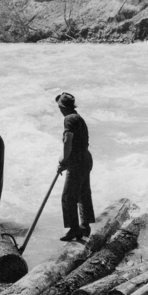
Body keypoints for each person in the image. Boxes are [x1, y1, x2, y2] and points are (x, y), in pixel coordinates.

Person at [55, 92, 95, 242]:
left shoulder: (69, 119)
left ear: (62, 107)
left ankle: (74, 230)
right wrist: (67, 162)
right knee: (83, 194)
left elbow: (68, 141)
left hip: (78, 161)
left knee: (68, 197)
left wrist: (64, 160)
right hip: (85, 158)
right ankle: (84, 227)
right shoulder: (78, 117)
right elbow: (78, 144)